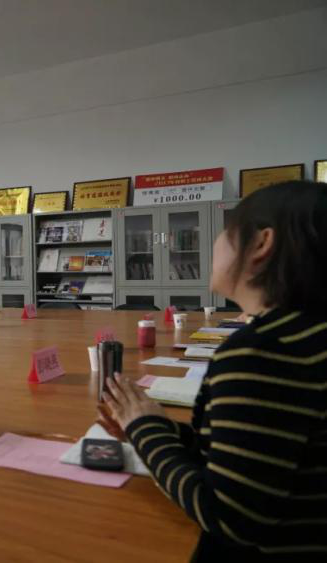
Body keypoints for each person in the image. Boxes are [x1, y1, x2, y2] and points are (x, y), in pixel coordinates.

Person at [99, 181, 327, 561]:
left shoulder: (264, 352)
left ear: (261, 243)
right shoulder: (306, 336)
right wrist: (159, 427)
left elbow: (229, 516)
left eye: (226, 232)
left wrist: (144, 429)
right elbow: (260, 450)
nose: (214, 245)